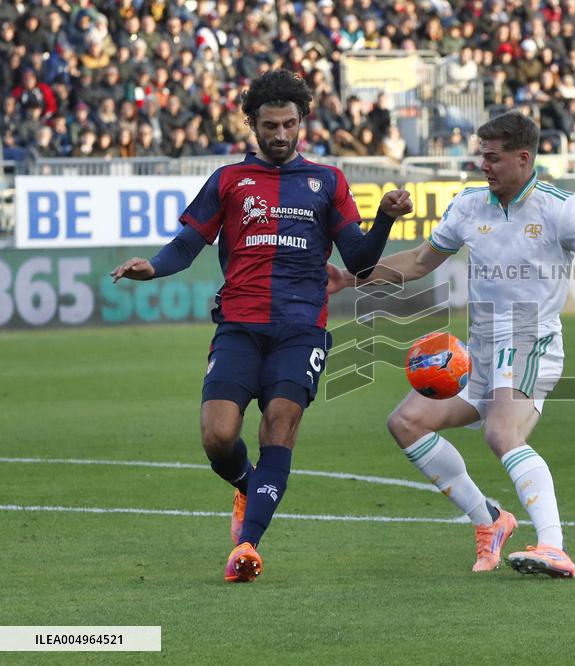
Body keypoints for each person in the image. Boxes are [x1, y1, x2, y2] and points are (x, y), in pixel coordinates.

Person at [326, 111, 575, 578]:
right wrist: (351, 278)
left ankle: (554, 546)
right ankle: (490, 521)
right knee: (406, 423)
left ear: (523, 158)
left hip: (532, 341)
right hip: (479, 350)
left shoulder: (558, 209)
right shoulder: (469, 204)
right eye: (481, 157)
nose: (483, 166)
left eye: (492, 158)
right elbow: (419, 262)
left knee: (501, 434)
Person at [110, 70, 413, 582]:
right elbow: (188, 246)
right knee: (217, 436)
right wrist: (153, 267)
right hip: (239, 325)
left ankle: (247, 546)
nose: (280, 135)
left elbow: (359, 262)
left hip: (301, 328)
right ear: (251, 123)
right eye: (269, 125)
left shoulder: (327, 181)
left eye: (289, 124)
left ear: (302, 123)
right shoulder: (229, 180)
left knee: (280, 423)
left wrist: (383, 219)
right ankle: (248, 485)